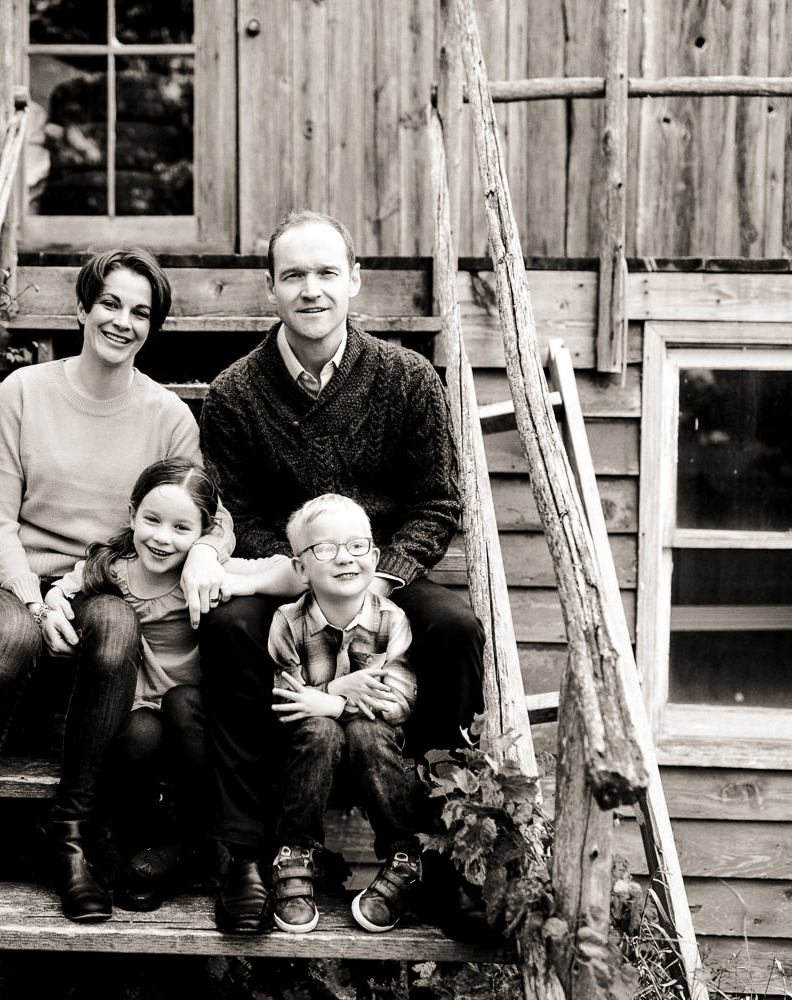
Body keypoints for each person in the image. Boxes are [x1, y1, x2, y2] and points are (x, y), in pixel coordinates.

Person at [0, 248, 233, 924]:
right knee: (14, 637)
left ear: (152, 328)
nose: (122, 321)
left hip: (98, 584)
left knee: (117, 627)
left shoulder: (168, 417)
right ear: (83, 307)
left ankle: (69, 836)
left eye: (140, 312)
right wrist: (30, 597)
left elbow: (214, 517)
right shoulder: (26, 390)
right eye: (110, 303)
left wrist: (208, 555)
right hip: (3, 578)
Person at [199, 210, 485, 934]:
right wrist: (302, 574)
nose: (312, 289)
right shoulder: (235, 392)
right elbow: (239, 509)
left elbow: (438, 501)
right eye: (294, 274)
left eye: (327, 272)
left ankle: (436, 850)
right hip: (291, 571)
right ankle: (243, 851)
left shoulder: (408, 379)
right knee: (231, 626)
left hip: (380, 568)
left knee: (454, 628)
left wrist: (374, 581)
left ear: (354, 281)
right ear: (271, 290)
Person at [50, 458, 298, 912]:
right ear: (131, 516)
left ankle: (194, 838)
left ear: (203, 534)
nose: (163, 538)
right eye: (152, 520)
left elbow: (294, 573)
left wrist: (232, 580)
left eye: (182, 528)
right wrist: (51, 606)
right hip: (139, 704)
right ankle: (132, 840)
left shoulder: (202, 575)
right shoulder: (112, 568)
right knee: (142, 732)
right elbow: (62, 590)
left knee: (184, 705)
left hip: (195, 713)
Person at [266, 494, 428, 934]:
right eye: (324, 549)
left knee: (367, 732)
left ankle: (404, 855)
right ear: (301, 569)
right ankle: (295, 851)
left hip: (372, 744)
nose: (345, 559)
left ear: (374, 557)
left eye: (357, 546)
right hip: (308, 747)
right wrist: (340, 692)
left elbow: (395, 703)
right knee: (319, 728)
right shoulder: (286, 622)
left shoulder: (392, 620)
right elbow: (289, 700)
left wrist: (333, 701)